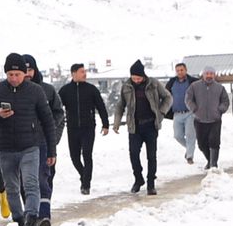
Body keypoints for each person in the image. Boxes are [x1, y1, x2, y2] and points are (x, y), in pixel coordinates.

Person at [0, 55, 56, 226]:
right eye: (10, 74)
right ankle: (19, 220)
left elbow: (48, 121)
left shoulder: (35, 91)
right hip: (5, 147)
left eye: (17, 74)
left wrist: (51, 150)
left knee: (31, 183)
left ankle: (31, 218)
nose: (14, 78)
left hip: (30, 145)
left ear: (25, 74)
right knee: (12, 187)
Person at [114, 60, 168, 194]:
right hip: (134, 127)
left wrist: (161, 113)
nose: (136, 80)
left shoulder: (153, 84)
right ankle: (138, 179)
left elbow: (168, 97)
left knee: (151, 156)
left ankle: (151, 184)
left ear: (143, 76)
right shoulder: (126, 86)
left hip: (150, 125)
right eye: (134, 78)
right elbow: (120, 105)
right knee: (133, 154)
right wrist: (116, 122)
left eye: (138, 78)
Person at [23, 56, 65, 226]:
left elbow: (59, 114)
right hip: (22, 144)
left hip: (43, 142)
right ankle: (29, 215)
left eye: (30, 70)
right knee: (25, 182)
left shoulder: (47, 90)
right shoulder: (12, 91)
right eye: (23, 70)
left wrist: (51, 135)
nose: (27, 74)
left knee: (43, 178)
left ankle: (44, 215)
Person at [57, 63, 109, 196]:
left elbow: (101, 106)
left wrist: (105, 124)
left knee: (87, 154)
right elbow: (56, 108)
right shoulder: (65, 90)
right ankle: (83, 175)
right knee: (74, 157)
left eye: (85, 71)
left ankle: (86, 185)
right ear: (73, 74)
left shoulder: (91, 89)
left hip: (88, 127)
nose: (85, 74)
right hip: (72, 128)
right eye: (81, 72)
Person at [186, 65, 229, 169]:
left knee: (214, 142)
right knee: (201, 143)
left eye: (211, 74)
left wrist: (220, 110)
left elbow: (225, 101)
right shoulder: (194, 86)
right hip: (199, 120)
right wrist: (194, 109)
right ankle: (209, 160)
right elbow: (188, 99)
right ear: (203, 75)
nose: (209, 76)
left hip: (215, 120)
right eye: (207, 73)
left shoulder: (220, 88)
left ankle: (213, 164)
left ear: (214, 75)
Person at [168, 62, 196, 164]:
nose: (180, 72)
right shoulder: (172, 82)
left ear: (186, 70)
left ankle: (190, 156)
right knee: (177, 136)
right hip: (177, 113)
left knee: (190, 135)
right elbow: (166, 94)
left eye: (181, 70)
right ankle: (190, 148)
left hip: (190, 113)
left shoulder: (192, 81)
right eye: (178, 70)